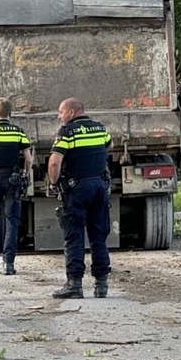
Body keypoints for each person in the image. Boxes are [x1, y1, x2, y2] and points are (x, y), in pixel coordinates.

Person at [48, 98, 113, 299]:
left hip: (77, 189)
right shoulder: (100, 129)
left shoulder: (67, 132)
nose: (59, 116)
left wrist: (53, 183)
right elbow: (109, 146)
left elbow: (54, 163)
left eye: (61, 112)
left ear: (72, 113)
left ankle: (74, 284)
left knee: (74, 236)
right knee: (98, 236)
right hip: (100, 186)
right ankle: (101, 285)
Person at [0, 97, 33, 275]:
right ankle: (9, 263)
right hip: (13, 180)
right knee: (11, 220)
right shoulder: (18, 132)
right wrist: (26, 175)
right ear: (10, 113)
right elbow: (28, 158)